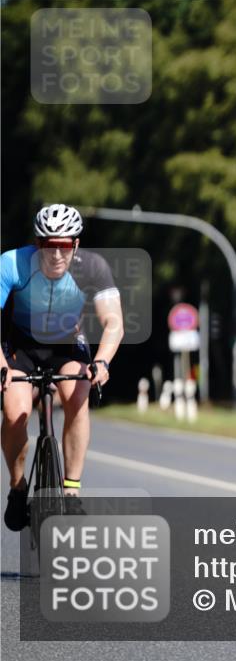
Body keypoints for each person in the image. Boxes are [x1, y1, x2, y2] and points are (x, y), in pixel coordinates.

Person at [1, 204, 124, 530]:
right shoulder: (12, 263)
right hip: (21, 344)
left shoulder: (93, 267)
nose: (56, 255)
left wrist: (102, 361)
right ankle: (17, 487)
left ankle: (71, 490)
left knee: (78, 394)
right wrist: (1, 366)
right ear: (37, 243)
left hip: (67, 343)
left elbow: (113, 322)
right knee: (15, 410)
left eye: (64, 246)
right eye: (48, 246)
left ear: (76, 244)